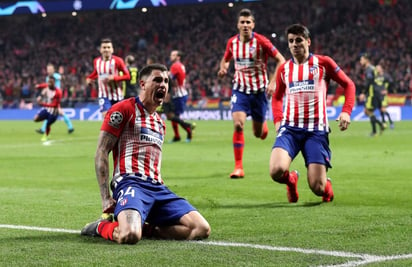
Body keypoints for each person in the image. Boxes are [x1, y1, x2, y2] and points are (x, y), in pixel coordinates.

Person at [80, 64, 211, 244]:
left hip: (158, 188)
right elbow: (102, 151)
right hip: (131, 183)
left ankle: (147, 229)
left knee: (201, 229)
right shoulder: (123, 109)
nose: (163, 85)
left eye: (165, 81)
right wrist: (105, 198)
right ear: (142, 84)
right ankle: (101, 227)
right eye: (157, 80)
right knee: (129, 236)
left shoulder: (160, 124)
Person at [269, 23, 356, 203]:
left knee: (318, 188)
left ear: (308, 41)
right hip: (290, 129)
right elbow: (276, 97)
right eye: (291, 41)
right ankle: (291, 180)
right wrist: (278, 120)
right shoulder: (284, 69)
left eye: (299, 40)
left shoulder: (323, 63)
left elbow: (349, 85)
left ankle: (326, 187)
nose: (294, 44)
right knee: (276, 171)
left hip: (316, 131)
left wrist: (346, 111)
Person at [217, 8, 285, 178]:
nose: (245, 25)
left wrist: (273, 81)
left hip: (259, 92)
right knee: (238, 124)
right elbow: (225, 58)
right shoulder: (232, 43)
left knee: (258, 134)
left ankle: (263, 128)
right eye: (242, 22)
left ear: (253, 25)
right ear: (237, 25)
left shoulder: (262, 42)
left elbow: (281, 60)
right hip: (240, 90)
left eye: (248, 22)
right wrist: (223, 68)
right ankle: (238, 167)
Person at [86, 38, 130, 118]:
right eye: (104, 47)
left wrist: (114, 78)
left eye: (108, 47)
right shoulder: (96, 61)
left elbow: (127, 76)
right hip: (103, 95)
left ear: (112, 49)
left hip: (117, 95)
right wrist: (89, 78)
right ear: (100, 50)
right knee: (106, 116)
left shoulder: (118, 61)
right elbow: (96, 73)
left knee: (119, 119)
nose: (106, 49)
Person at [163, 50, 195, 142]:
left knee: (175, 116)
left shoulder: (175, 66)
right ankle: (177, 136)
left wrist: (165, 74)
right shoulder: (180, 65)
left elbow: (170, 78)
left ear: (178, 57)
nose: (171, 56)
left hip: (179, 95)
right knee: (173, 116)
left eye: (173, 55)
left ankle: (188, 131)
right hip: (178, 94)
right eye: (171, 54)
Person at [35, 63, 74, 134]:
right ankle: (70, 127)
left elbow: (61, 78)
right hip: (51, 97)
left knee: (50, 111)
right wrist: (41, 95)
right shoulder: (47, 78)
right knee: (58, 112)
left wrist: (60, 76)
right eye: (48, 69)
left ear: (53, 70)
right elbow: (47, 87)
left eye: (50, 69)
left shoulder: (55, 75)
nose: (49, 71)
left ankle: (43, 129)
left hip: (56, 96)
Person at [359, 54, 385, 137]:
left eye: (362, 60)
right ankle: (380, 126)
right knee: (368, 111)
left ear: (366, 60)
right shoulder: (373, 68)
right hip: (375, 92)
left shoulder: (369, 69)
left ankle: (376, 130)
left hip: (371, 93)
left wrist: (363, 92)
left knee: (368, 111)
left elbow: (369, 82)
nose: (360, 62)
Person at [34, 75, 63, 142]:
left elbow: (55, 105)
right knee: (35, 119)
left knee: (48, 125)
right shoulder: (47, 86)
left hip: (54, 113)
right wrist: (38, 86)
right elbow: (44, 85)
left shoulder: (58, 92)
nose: (49, 84)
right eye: (48, 82)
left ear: (54, 83)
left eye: (51, 82)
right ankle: (46, 119)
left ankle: (46, 136)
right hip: (47, 110)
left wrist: (43, 104)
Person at [375, 64, 394, 129]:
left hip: (383, 96)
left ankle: (391, 122)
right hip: (377, 96)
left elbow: (392, 83)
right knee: (381, 110)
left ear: (381, 69)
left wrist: (387, 90)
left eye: (378, 68)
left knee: (383, 109)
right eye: (376, 68)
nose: (377, 69)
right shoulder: (375, 76)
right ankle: (384, 122)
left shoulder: (386, 76)